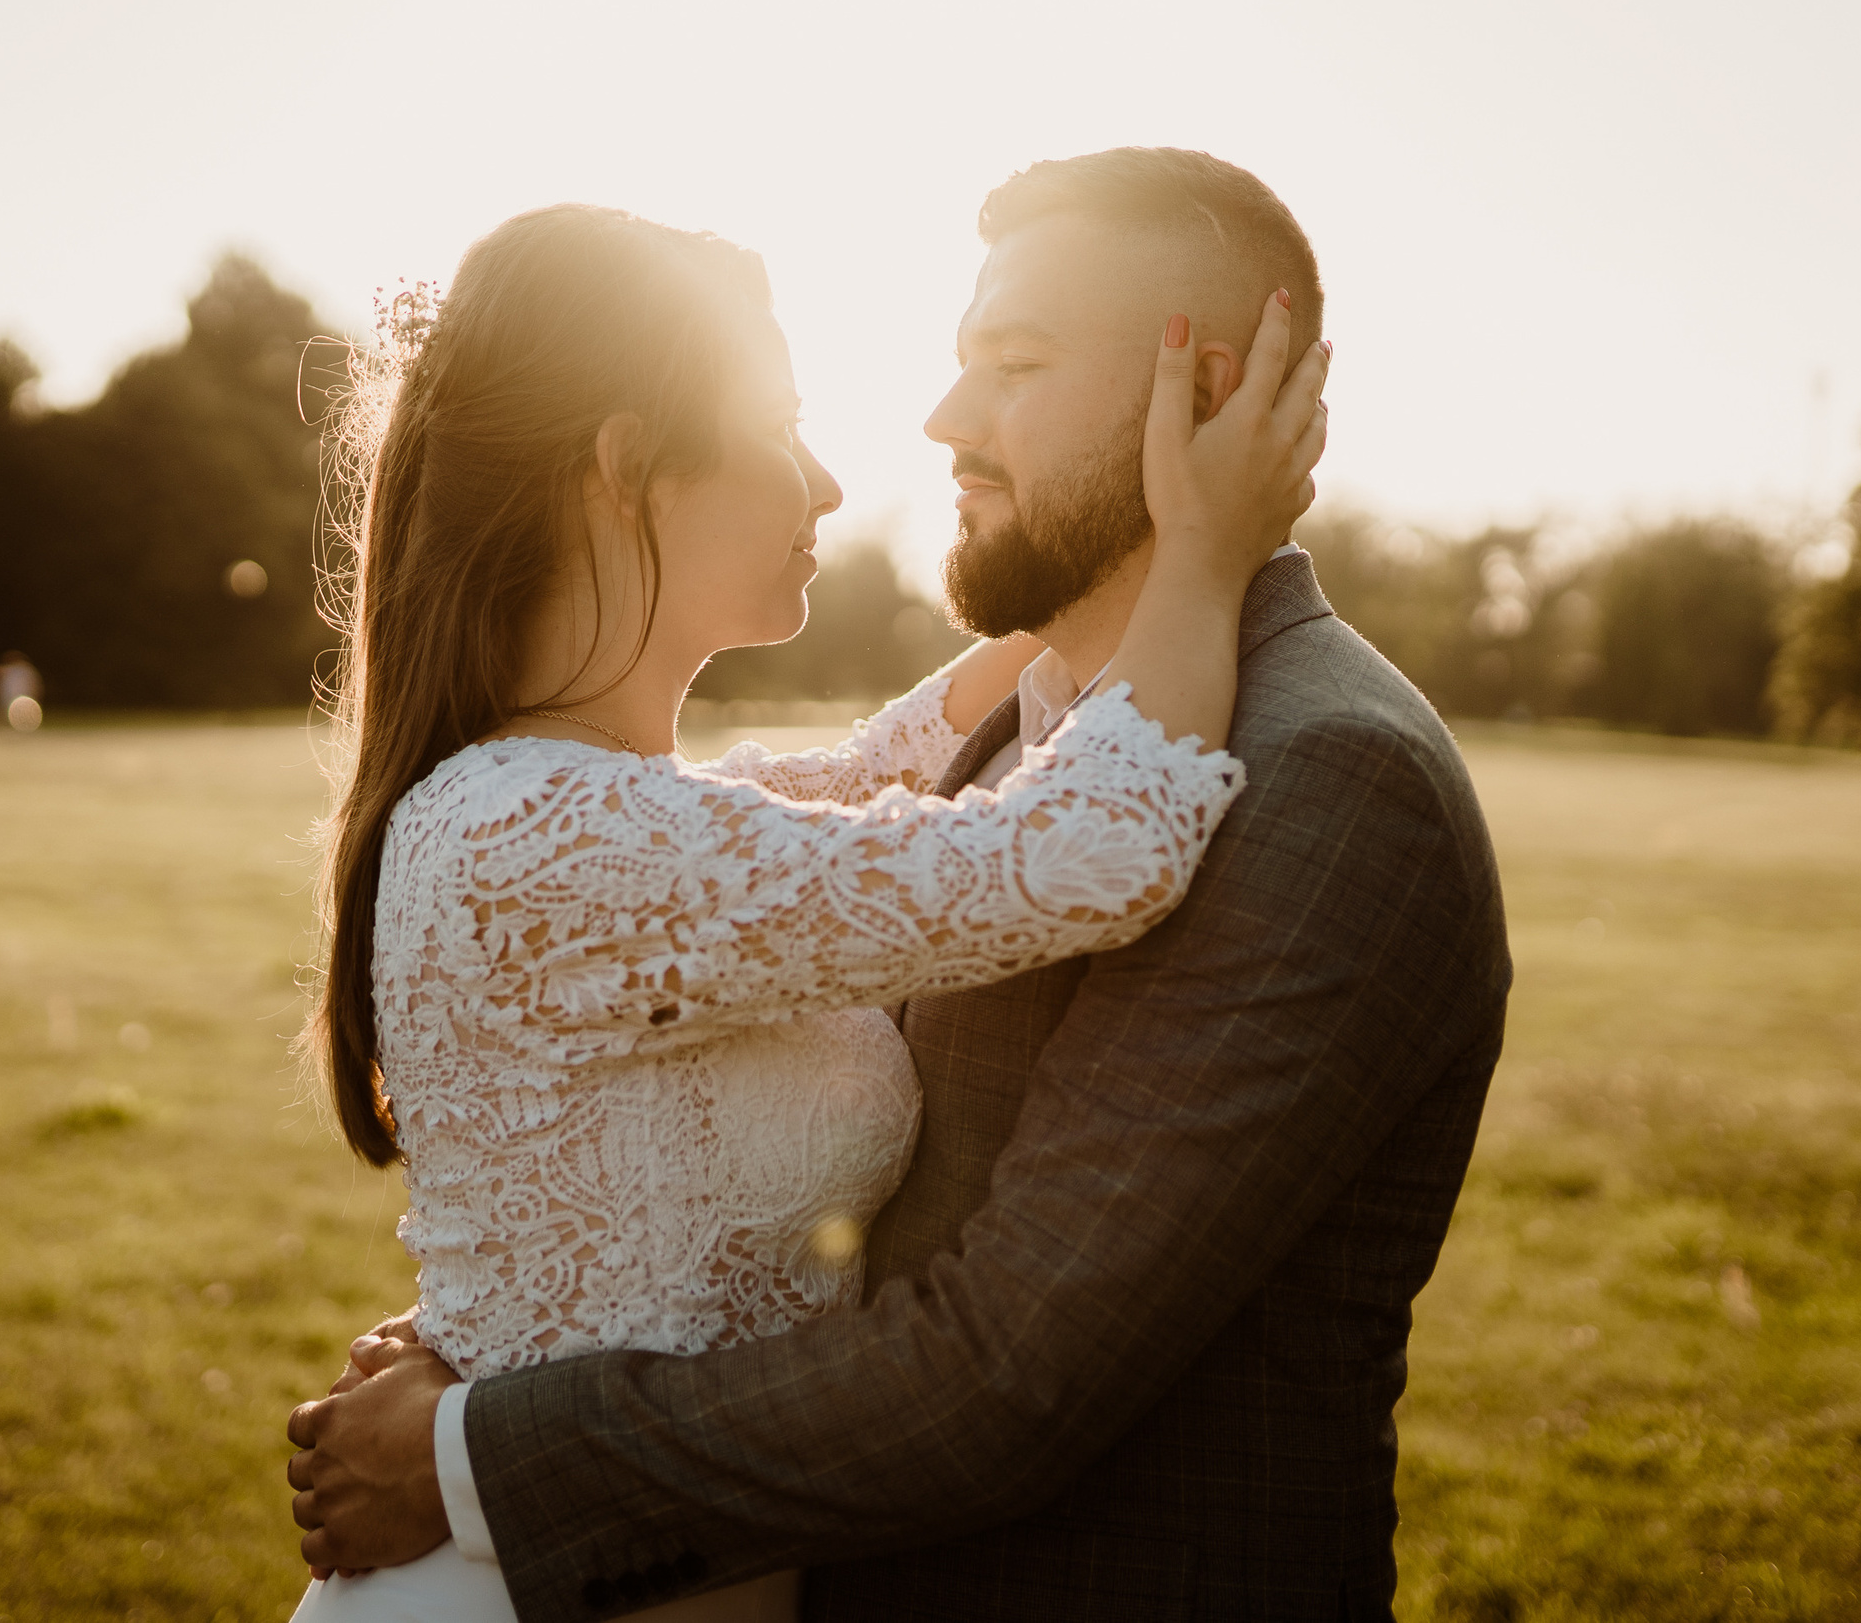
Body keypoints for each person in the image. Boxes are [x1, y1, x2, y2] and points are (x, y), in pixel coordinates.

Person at [282, 193, 1326, 1623]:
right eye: (781, 427)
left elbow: (879, 769)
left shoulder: (602, 811)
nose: (830, 483)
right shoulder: (541, 836)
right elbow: (1087, 853)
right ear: (627, 470)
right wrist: (1203, 559)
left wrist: (1119, 516)